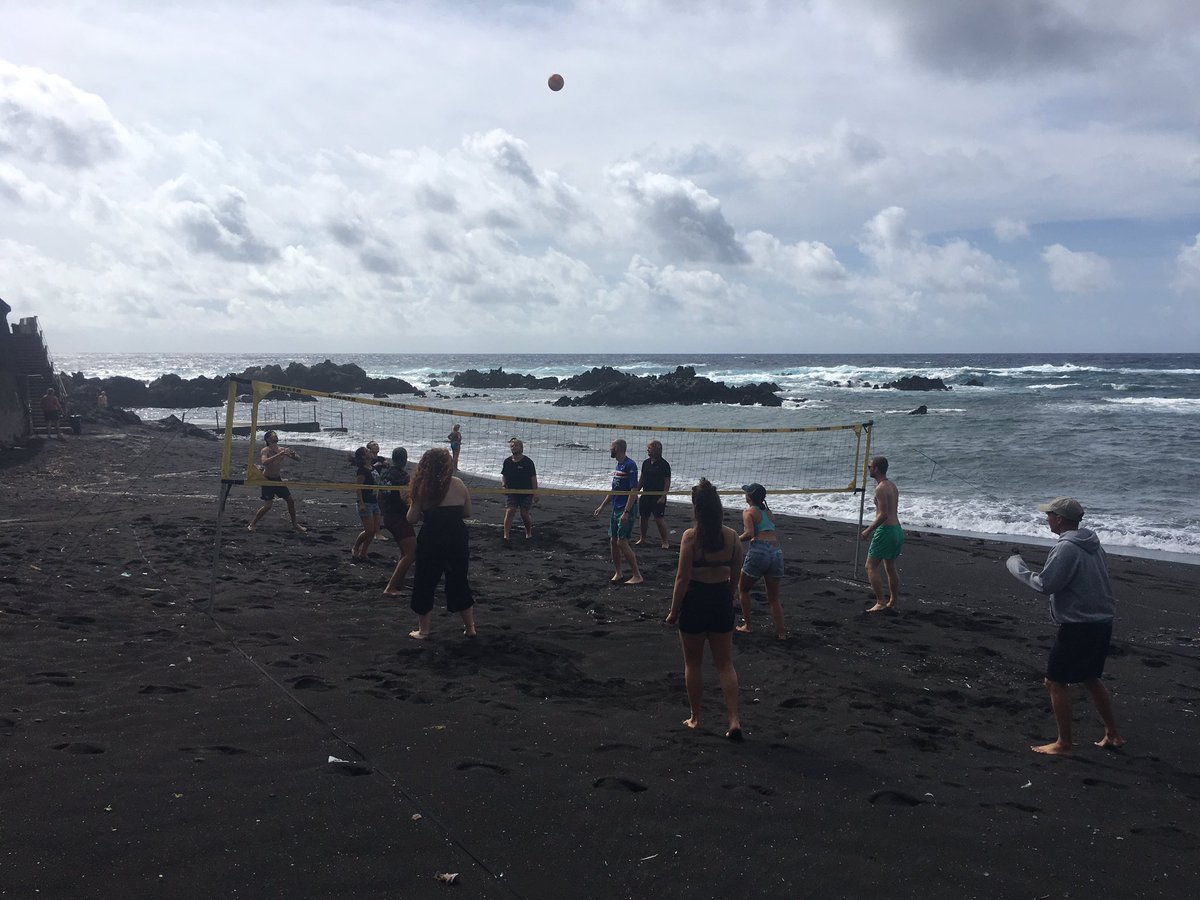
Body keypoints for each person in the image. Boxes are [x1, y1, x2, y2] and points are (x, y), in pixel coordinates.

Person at [1006, 497, 1124, 755]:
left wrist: (1016, 565)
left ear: (1059, 519)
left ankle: (1063, 743)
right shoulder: (1092, 543)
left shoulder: (1067, 547)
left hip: (1080, 625)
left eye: (1049, 514)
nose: (1047, 518)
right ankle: (1113, 734)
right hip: (1102, 621)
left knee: (1055, 681)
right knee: (1090, 677)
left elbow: (1046, 584)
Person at [665, 478, 745, 741]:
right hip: (721, 598)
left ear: (697, 509)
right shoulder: (733, 538)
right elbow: (736, 577)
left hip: (696, 600)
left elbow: (682, 578)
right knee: (725, 664)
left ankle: (696, 717)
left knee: (693, 663)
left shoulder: (691, 537)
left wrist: (673, 611)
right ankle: (734, 719)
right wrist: (729, 597)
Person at [406, 447, 476, 639]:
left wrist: (422, 511)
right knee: (459, 580)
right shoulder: (459, 484)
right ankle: (470, 628)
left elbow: (411, 518)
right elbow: (467, 512)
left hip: (432, 538)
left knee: (425, 581)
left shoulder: (423, 486)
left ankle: (424, 630)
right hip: (457, 537)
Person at [736, 483, 786, 639]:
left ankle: (748, 626)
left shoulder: (748, 512)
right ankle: (781, 633)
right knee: (773, 597)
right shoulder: (769, 513)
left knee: (743, 589)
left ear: (749, 496)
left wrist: (735, 540)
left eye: (746, 493)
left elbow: (749, 534)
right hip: (776, 552)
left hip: (759, 551)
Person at [592, 438, 643, 584]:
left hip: (626, 508)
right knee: (613, 541)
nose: (610, 449)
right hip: (616, 507)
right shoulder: (619, 465)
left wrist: (627, 512)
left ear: (618, 448)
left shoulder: (630, 465)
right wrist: (602, 506)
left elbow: (634, 490)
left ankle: (637, 575)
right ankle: (618, 572)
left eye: (612, 447)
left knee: (622, 542)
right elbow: (614, 490)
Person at [861, 456, 903, 612]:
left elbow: (883, 514)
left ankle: (880, 602)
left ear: (877, 469)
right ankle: (893, 601)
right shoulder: (892, 485)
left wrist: (868, 530)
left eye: (870, 466)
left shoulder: (880, 488)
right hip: (897, 529)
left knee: (870, 566)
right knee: (890, 566)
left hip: (886, 530)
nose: (868, 469)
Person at [247, 430, 306, 532]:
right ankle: (252, 524)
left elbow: (299, 459)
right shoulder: (265, 450)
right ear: (268, 439)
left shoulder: (282, 449)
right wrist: (278, 455)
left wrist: (293, 455)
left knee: (290, 501)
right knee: (268, 506)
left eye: (275, 435)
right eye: (272, 436)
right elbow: (264, 462)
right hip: (267, 480)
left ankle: (295, 524)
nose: (275, 437)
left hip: (277, 479)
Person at [380, 447, 417, 595]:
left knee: (405, 552)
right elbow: (404, 498)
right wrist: (415, 510)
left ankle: (399, 582)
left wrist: (383, 513)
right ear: (405, 460)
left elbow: (380, 495)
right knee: (412, 552)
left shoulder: (385, 473)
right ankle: (391, 587)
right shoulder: (403, 476)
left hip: (389, 515)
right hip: (398, 517)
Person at [636, 439, 672, 549]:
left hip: (658, 495)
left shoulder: (664, 464)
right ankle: (642, 539)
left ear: (656, 449)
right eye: (648, 448)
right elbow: (642, 478)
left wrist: (663, 496)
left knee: (658, 518)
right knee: (643, 517)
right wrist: (636, 490)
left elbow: (667, 481)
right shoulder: (646, 463)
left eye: (650, 448)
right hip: (646, 493)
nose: (647, 450)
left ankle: (665, 541)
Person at [501, 438, 538, 541]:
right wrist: (503, 485)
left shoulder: (528, 462)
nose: (513, 447)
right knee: (510, 511)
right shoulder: (507, 461)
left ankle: (528, 532)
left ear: (521, 448)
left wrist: (536, 493)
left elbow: (533, 478)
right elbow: (504, 476)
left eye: (516, 446)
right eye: (512, 446)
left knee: (524, 513)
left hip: (526, 492)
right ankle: (506, 536)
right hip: (512, 491)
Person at [350, 446, 381, 560]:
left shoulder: (372, 467)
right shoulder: (362, 471)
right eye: (367, 451)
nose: (370, 451)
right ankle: (356, 547)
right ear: (364, 456)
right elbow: (358, 488)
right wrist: (361, 503)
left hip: (374, 502)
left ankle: (364, 552)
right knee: (369, 530)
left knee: (373, 531)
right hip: (366, 503)